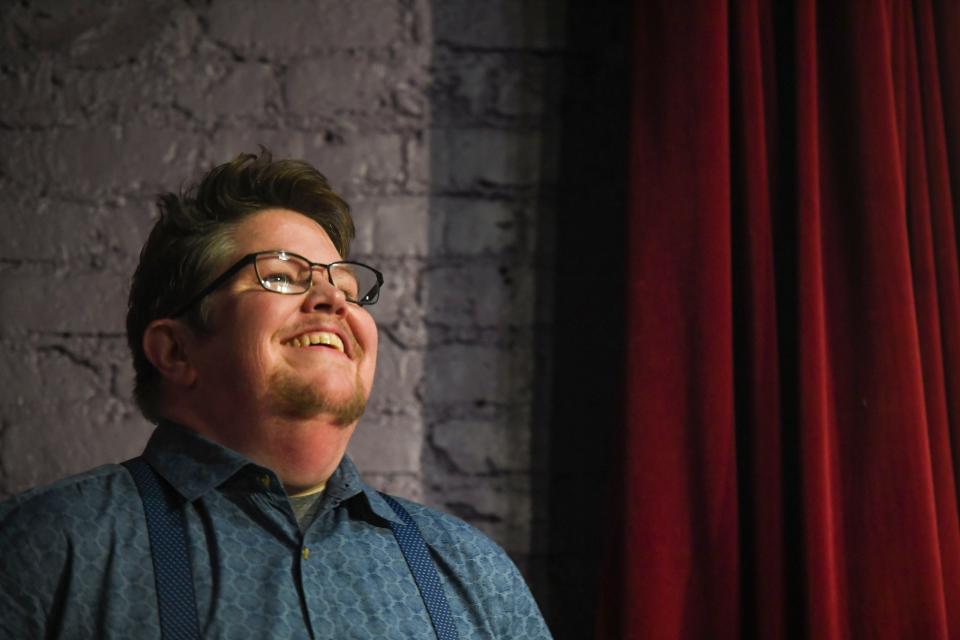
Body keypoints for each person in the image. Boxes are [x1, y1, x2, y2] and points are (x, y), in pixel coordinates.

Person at [0, 150, 552, 639]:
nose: (332, 299)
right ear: (175, 351)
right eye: (283, 277)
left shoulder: (474, 574)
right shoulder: (47, 550)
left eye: (347, 287)